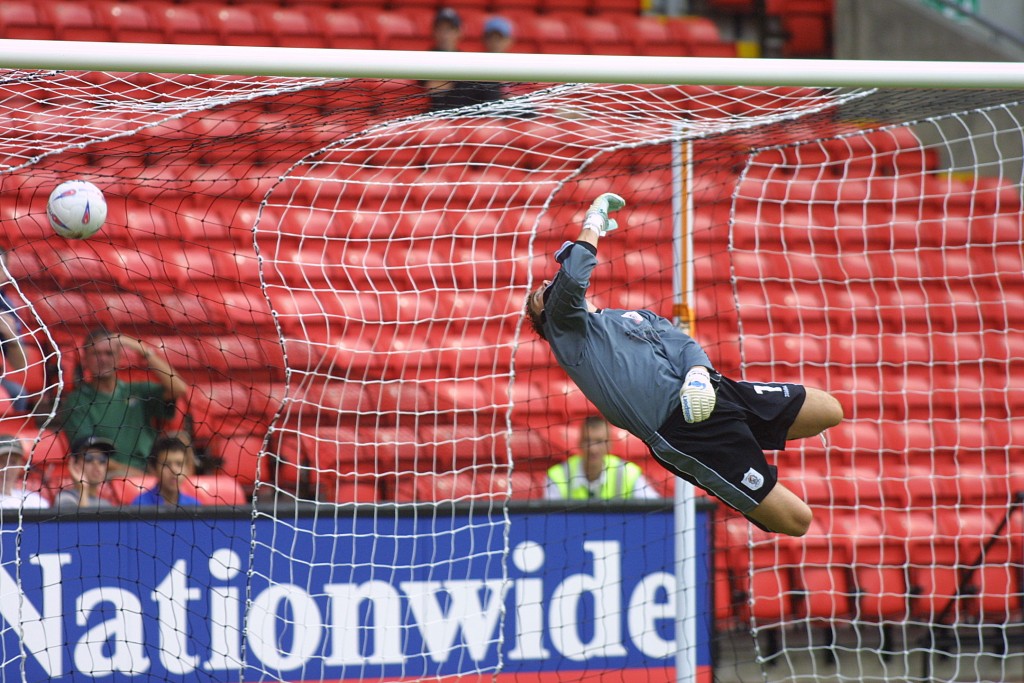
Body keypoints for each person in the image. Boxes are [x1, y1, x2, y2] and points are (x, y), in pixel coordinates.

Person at [524, 193, 844, 537]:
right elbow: (571, 279)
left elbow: (682, 343)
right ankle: (731, 477)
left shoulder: (625, 317)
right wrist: (592, 224)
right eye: (541, 295)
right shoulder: (569, 334)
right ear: (548, 317)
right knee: (798, 521)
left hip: (712, 389)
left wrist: (697, 375)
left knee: (829, 410)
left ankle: (744, 440)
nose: (546, 285)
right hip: (684, 432)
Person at [43, 327, 189, 477]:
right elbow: (89, 456)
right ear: (85, 359)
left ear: (119, 358)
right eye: (96, 354)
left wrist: (143, 351)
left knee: (182, 443)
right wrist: (141, 477)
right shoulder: (77, 401)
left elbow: (179, 388)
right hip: (109, 476)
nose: (103, 359)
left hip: (151, 470)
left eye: (109, 353)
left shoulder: (136, 390)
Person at [545, 415, 662, 500]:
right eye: (588, 441)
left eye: (599, 442)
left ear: (609, 445)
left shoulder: (627, 473)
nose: (593, 449)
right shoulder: (559, 476)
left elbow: (653, 512)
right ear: (579, 443)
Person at [423, 9, 511, 112]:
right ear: (434, 31)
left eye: (450, 29)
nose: (445, 34)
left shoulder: (466, 58)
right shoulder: (426, 58)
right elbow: (433, 88)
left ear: (459, 31)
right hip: (443, 111)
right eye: (440, 28)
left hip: (471, 110)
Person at [132, 436, 200, 507]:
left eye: (179, 464)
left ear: (187, 468)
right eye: (166, 464)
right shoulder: (140, 505)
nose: (173, 470)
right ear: (154, 469)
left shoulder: (194, 506)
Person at [0, 248, 29, 412]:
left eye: (1, 267)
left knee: (18, 394)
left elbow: (20, 364)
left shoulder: (6, 307)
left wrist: (10, 336)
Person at [54, 435, 115, 511]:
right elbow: (81, 522)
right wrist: (83, 489)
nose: (96, 464)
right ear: (74, 464)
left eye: (102, 459)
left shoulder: (105, 504)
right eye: (88, 458)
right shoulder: (65, 498)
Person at [0, 434, 48, 509]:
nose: (7, 468)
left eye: (13, 462)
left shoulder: (36, 502)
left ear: (21, 465)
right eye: (1, 461)